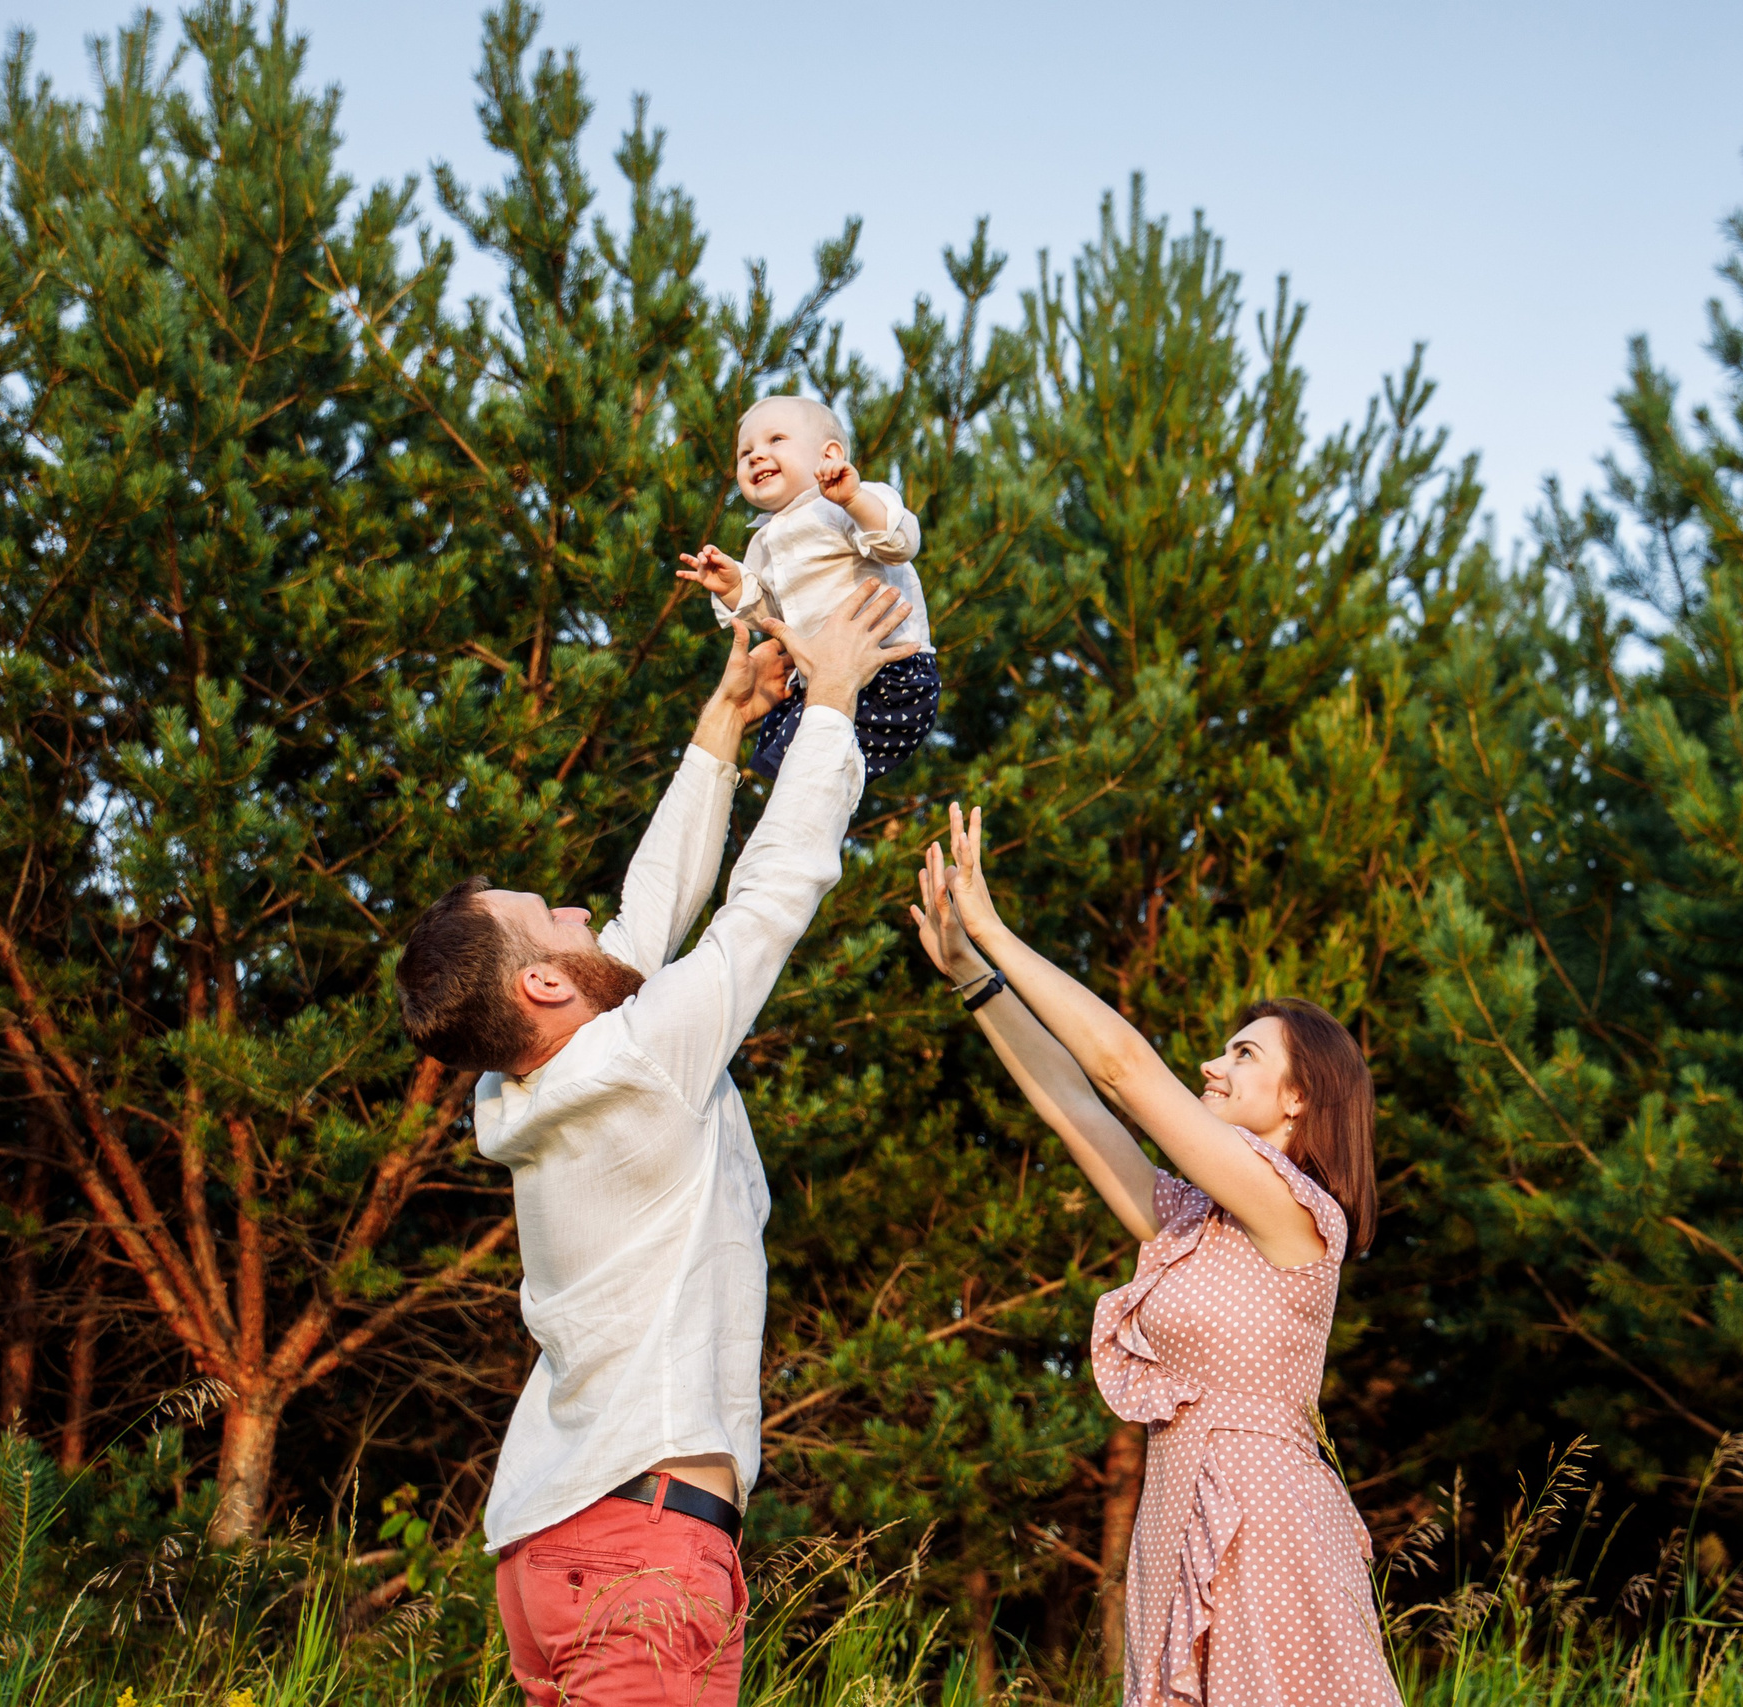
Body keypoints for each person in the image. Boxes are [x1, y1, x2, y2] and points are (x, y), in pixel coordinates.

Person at [392, 584, 917, 1707]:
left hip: (549, 1547)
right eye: (557, 918)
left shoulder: (523, 1087)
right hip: (644, 1545)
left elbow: (639, 928)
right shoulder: (632, 1062)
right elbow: (767, 899)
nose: (586, 917)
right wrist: (828, 706)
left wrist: (724, 723)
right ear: (540, 983)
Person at [907, 805, 1404, 1707]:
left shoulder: (1295, 1212)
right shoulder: (1192, 1219)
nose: (1213, 1066)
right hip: (1178, 1521)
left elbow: (1125, 1071)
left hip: (1262, 1526)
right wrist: (975, 979)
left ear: (1298, 1100)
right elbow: (1078, 1108)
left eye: (1242, 1054)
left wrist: (994, 928)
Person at [676, 394, 940, 784]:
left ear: (828, 454)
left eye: (775, 440)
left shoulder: (845, 504)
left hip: (888, 671)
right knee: (793, 778)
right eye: (744, 452)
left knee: (809, 773)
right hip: (816, 685)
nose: (755, 456)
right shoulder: (762, 543)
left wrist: (854, 499)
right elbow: (768, 617)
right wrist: (734, 588)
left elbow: (900, 542)